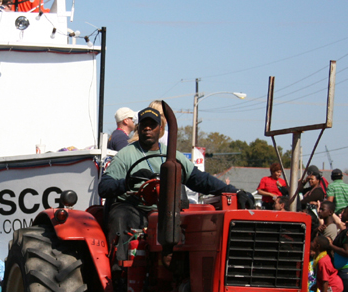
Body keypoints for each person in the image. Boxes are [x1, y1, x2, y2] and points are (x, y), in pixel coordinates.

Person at [98, 106, 250, 262]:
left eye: (153, 125)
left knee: (195, 223)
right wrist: (128, 182)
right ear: (139, 128)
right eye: (144, 125)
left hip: (165, 210)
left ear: (161, 129)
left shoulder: (172, 155)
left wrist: (234, 191)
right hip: (134, 208)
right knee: (121, 216)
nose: (148, 128)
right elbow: (104, 187)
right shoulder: (126, 155)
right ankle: (120, 269)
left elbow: (200, 179)